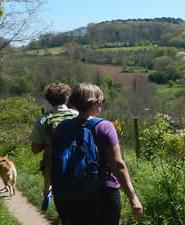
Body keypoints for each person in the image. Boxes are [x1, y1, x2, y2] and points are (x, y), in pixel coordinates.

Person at [53, 83, 143, 224]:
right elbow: (118, 165)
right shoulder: (104, 127)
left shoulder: (62, 127)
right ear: (94, 103)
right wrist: (133, 197)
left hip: (68, 193)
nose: (102, 104)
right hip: (102, 193)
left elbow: (53, 160)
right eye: (101, 101)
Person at [29, 82, 78, 198]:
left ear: (48, 100)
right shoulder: (77, 115)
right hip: (76, 163)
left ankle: (48, 206)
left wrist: (47, 144)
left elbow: (35, 149)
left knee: (55, 196)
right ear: (67, 98)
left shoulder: (43, 119)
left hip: (53, 165)